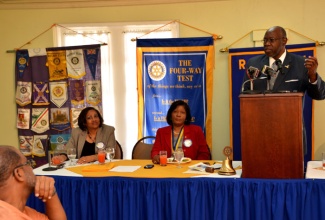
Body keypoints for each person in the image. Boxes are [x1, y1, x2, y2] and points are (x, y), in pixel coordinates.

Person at [243, 26, 325, 153]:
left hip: (291, 135)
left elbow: (319, 95)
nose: (267, 44)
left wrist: (312, 75)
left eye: (271, 40)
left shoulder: (300, 64)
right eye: (264, 40)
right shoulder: (254, 64)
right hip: (258, 135)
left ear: (284, 41)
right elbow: (245, 96)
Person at [0, 145, 67, 220]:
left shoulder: (20, 211)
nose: (32, 168)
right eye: (28, 163)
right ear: (19, 173)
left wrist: (51, 192)